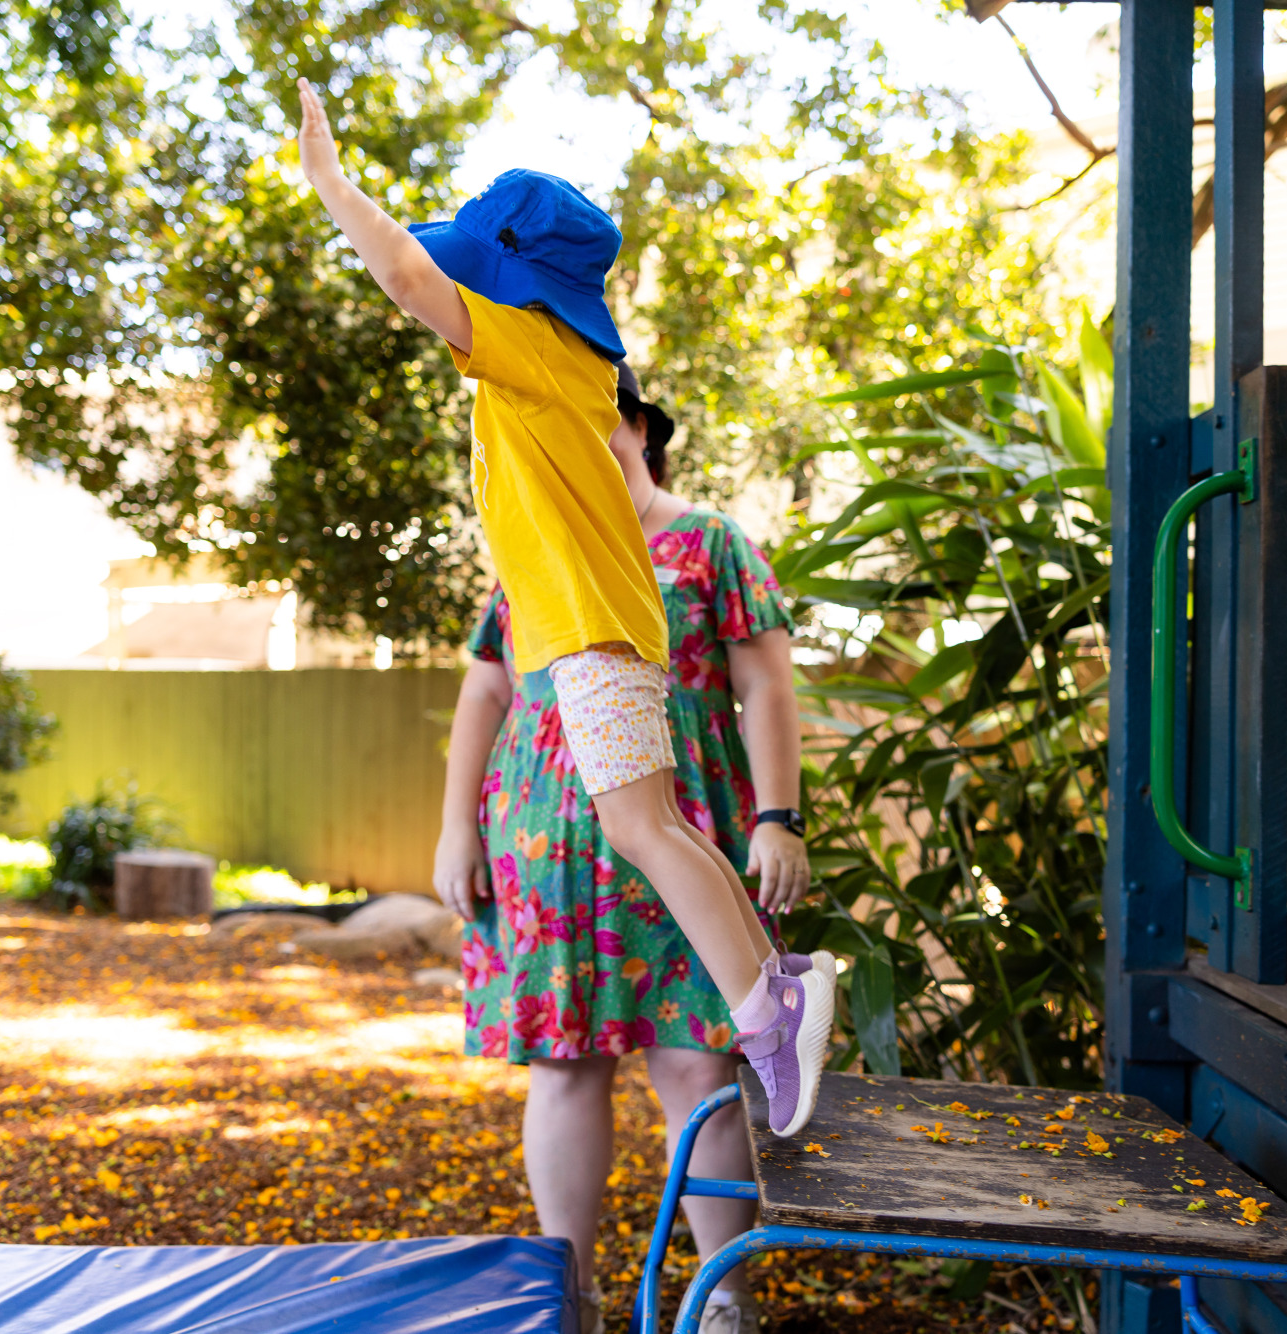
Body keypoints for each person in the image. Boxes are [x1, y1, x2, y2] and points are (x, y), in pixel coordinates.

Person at [292, 76, 832, 1145]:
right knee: (665, 824)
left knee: (638, 825)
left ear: (516, 286)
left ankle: (771, 1007)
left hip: (591, 633)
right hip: (599, 629)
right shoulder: (569, 361)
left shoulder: (528, 348)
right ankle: (779, 984)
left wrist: (333, 185)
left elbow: (404, 273)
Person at [435, 365, 813, 1333]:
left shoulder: (709, 540)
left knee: (698, 1064)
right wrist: (453, 824)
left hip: (680, 834)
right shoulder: (535, 544)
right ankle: (566, 1295)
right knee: (563, 1063)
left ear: (642, 428)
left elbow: (765, 681)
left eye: (598, 428)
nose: (581, 453)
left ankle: (718, 1298)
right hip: (543, 842)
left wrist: (778, 815)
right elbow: (487, 690)